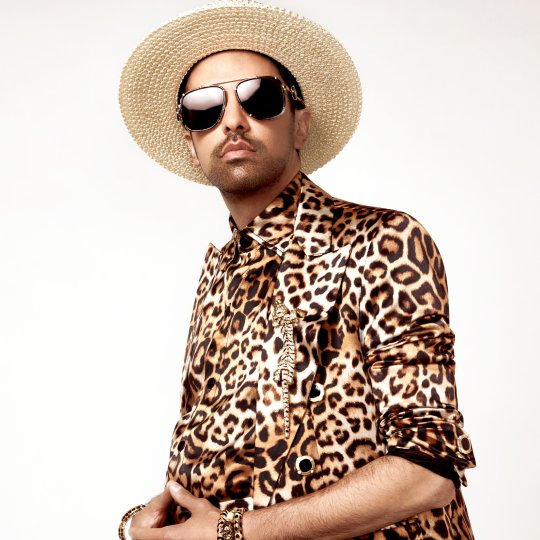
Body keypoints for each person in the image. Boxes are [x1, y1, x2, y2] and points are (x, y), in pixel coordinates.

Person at [118, 1, 476, 539]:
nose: (232, 121)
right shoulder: (219, 274)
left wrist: (231, 533)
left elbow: (428, 473)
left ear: (300, 124)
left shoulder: (381, 241)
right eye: (204, 109)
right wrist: (147, 525)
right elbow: (224, 469)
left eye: (260, 98)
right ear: (191, 144)